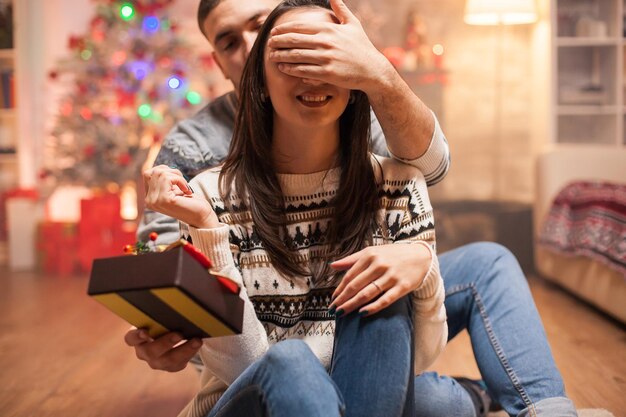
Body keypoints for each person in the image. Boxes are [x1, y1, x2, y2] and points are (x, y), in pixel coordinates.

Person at [128, 0, 578, 415]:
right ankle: (468, 396)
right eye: (231, 41)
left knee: (450, 284)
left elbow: (429, 166)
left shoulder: (388, 167)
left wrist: (419, 262)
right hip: (255, 362)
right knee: (326, 373)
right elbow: (164, 266)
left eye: (263, 29)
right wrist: (175, 314)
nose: (308, 74)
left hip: (357, 356)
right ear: (251, 77)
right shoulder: (201, 167)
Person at [144, 2, 446, 416]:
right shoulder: (205, 192)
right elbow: (244, 367)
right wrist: (205, 233)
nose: (308, 73)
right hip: (247, 394)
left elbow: (411, 362)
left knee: (413, 341)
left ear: (354, 70)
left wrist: (424, 266)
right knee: (291, 361)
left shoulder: (399, 183)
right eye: (287, 57)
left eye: (320, 54)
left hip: (354, 391)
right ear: (258, 82)